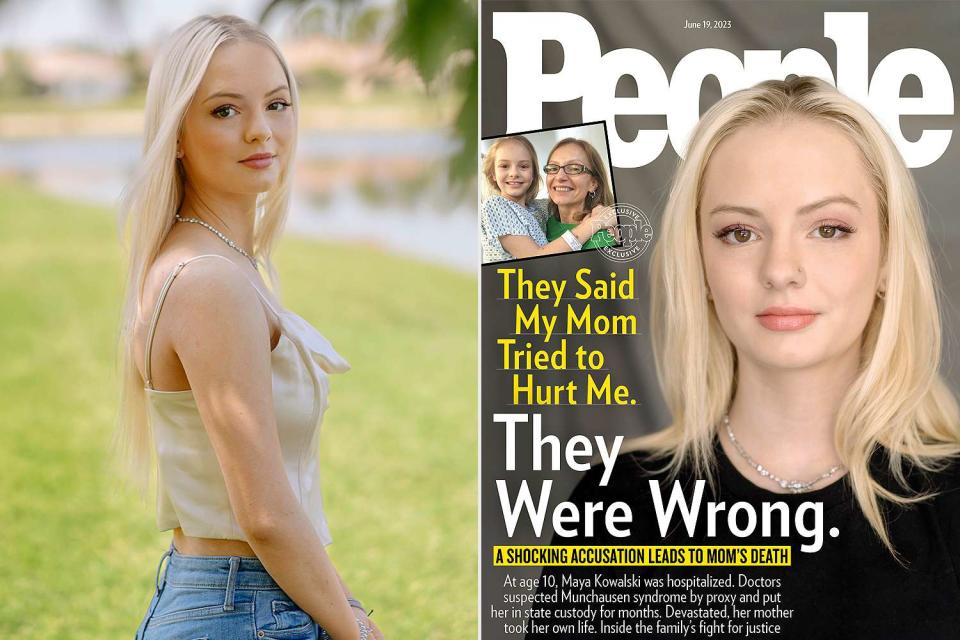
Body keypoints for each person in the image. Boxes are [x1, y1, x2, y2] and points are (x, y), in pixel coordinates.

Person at [526, 77, 960, 639]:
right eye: (739, 232)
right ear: (699, 264)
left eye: (829, 229)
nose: (781, 269)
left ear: (885, 258)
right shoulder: (616, 509)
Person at [114, 15, 381, 640]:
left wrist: (348, 607)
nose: (262, 130)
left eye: (278, 104)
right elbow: (262, 514)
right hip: (243, 609)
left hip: (250, 599)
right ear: (177, 133)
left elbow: (283, 509)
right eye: (225, 111)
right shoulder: (209, 280)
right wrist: (354, 631)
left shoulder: (222, 265)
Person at [480, 135, 617, 263]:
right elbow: (536, 259)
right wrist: (592, 224)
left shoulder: (540, 208)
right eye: (553, 168)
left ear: (533, 173)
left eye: (574, 168)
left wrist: (613, 217)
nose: (514, 173)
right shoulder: (494, 205)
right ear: (492, 174)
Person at [541, 137, 617, 250]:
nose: (560, 177)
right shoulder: (543, 223)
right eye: (553, 168)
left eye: (574, 168)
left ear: (593, 183)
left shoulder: (602, 239)